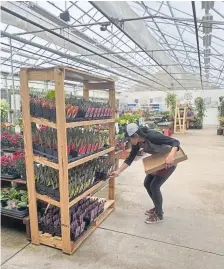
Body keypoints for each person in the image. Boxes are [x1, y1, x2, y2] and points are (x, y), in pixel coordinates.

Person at [110, 123, 180, 224]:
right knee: (147, 183)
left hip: (168, 162)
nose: (128, 141)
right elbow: (130, 159)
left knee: (154, 186)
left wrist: (171, 156)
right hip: (157, 161)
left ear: (136, 136)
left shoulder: (152, 136)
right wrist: (118, 171)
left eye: (129, 139)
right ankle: (157, 207)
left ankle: (159, 215)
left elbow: (176, 142)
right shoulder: (137, 143)